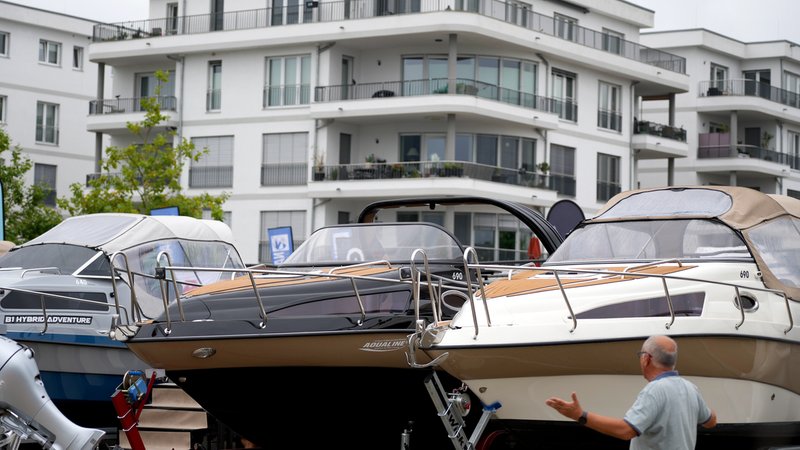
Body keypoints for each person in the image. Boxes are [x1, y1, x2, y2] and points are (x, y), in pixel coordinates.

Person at [545, 335, 717, 449]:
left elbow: (625, 431)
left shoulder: (654, 390)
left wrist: (580, 415)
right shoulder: (690, 388)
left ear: (646, 358)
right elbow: (711, 421)